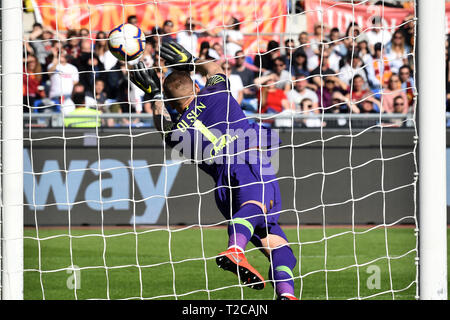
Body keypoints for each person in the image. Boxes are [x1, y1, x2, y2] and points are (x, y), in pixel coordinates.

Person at [130, 41, 298, 300]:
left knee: (279, 246)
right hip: (248, 161)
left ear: (173, 104)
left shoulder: (177, 133)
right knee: (258, 206)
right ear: (196, 87)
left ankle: (286, 296)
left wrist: (154, 95)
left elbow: (161, 126)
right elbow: (214, 67)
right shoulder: (216, 93)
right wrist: (191, 60)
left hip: (224, 189)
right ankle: (234, 249)